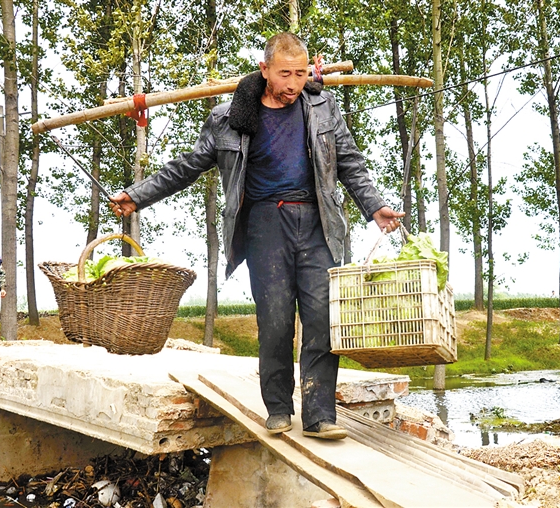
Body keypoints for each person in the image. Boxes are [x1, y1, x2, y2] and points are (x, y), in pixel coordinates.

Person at [111, 32, 403, 440]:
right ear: (265, 70)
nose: (294, 83)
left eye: (301, 74)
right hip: (266, 226)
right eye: (285, 74)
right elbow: (187, 166)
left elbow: (350, 163)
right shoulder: (230, 117)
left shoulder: (322, 107)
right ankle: (279, 409)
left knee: (322, 319)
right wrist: (136, 197)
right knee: (276, 320)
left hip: (318, 221)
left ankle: (319, 416)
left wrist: (375, 206)